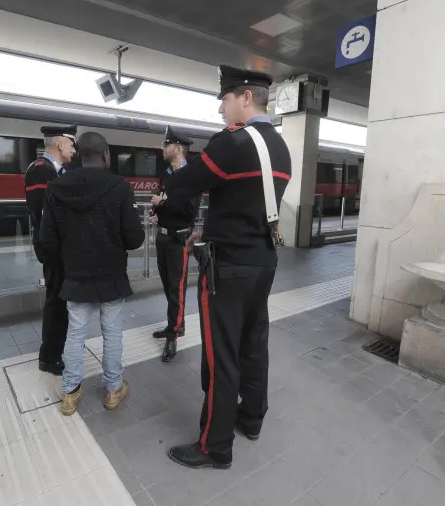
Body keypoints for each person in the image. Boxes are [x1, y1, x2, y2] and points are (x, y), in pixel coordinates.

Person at [163, 65, 292, 469]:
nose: (221, 109)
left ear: (245, 98)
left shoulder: (233, 144)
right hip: (264, 260)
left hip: (230, 266)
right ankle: (251, 418)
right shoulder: (281, 147)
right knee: (254, 342)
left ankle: (215, 445)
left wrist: (172, 174)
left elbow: (184, 182)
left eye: (224, 99)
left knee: (222, 356)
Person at [38, 131, 145, 416]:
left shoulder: (56, 188)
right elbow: (134, 239)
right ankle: (112, 390)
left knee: (75, 333)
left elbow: (46, 239)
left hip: (75, 277)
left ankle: (70, 393)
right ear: (106, 155)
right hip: (111, 275)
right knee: (112, 332)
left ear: (79, 155)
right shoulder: (120, 187)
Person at [24, 124, 77, 376]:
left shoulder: (58, 170)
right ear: (60, 144)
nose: (74, 149)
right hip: (53, 246)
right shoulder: (40, 171)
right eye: (72, 144)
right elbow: (46, 216)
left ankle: (56, 349)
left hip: (62, 245)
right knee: (56, 302)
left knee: (60, 300)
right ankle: (49, 357)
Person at [149, 126, 200, 362]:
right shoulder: (167, 173)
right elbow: (163, 198)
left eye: (165, 144)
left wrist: (163, 204)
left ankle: (173, 336)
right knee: (168, 286)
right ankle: (175, 325)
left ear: (178, 148)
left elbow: (188, 210)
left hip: (179, 239)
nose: (162, 147)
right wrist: (156, 212)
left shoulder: (192, 175)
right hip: (162, 236)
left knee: (176, 289)